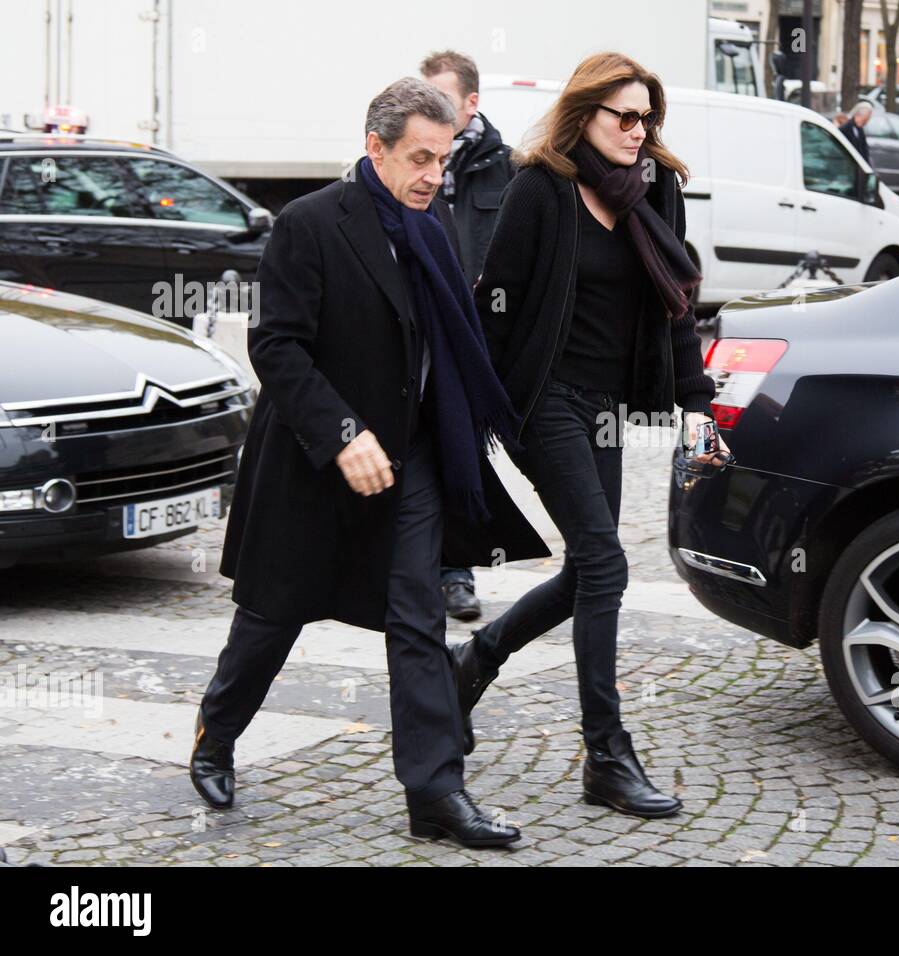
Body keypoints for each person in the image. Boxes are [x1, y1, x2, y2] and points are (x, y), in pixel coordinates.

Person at [191, 77, 549, 849]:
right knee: (272, 618)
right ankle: (215, 735)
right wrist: (344, 431)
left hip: (410, 458)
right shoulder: (309, 223)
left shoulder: (434, 224)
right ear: (374, 148)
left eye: (442, 159)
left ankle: (435, 793)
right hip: (315, 462)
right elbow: (276, 347)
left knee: (417, 618)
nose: (432, 174)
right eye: (419, 157)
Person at [452, 52, 730, 818]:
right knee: (607, 562)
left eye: (649, 118)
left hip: (605, 406)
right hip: (542, 402)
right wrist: (467, 407)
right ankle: (607, 756)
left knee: (588, 571)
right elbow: (493, 305)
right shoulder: (540, 189)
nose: (640, 132)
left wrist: (694, 403)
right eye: (626, 117)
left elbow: (676, 303)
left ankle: (474, 660)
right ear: (586, 116)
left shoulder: (656, 189)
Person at [421, 49, 516, 623]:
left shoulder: (507, 167)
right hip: (420, 333)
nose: (432, 109)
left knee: (461, 455)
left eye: (444, 100)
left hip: (477, 339)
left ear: (471, 102)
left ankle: (457, 573)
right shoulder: (412, 155)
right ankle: (414, 568)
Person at [839, 101, 873, 167]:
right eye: (865, 120)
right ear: (857, 115)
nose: (866, 122)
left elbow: (864, 150)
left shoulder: (860, 129)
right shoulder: (845, 129)